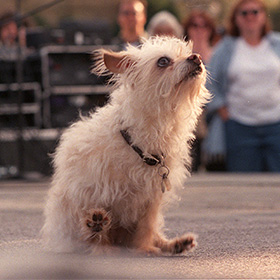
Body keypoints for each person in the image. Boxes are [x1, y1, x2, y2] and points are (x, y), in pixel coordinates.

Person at [207, 0, 280, 172]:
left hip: (276, 126)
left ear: (263, 16)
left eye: (255, 11)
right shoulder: (225, 48)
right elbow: (209, 81)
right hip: (240, 127)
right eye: (244, 13)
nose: (250, 17)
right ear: (236, 18)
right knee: (243, 185)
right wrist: (221, 108)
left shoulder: (276, 44)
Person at [183, 10, 219, 172]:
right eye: (195, 25)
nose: (199, 30)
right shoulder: (181, 57)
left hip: (216, 118)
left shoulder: (219, 55)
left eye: (204, 26)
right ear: (187, 29)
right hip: (188, 119)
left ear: (210, 30)